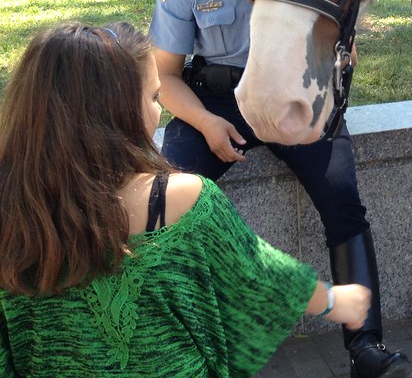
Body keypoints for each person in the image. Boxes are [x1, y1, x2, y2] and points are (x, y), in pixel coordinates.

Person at [149, 0, 409, 378]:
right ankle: (170, 346)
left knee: (343, 205)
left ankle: (366, 348)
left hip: (294, 91)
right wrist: (204, 123)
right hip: (217, 103)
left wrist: (341, 48)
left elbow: (339, 20)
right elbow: (165, 77)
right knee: (159, 203)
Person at [0, 22, 371, 377]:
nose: (158, 110)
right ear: (118, 112)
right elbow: (263, 276)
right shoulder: (181, 201)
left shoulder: (13, 213)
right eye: (153, 96)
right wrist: (336, 301)